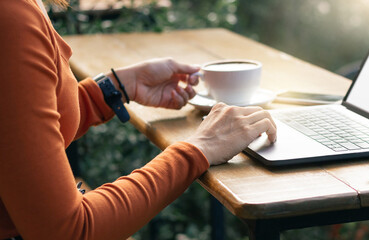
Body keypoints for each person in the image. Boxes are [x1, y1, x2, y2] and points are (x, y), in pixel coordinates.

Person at [0, 0, 277, 239]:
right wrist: (199, 149)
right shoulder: (11, 20)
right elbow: (70, 231)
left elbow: (23, 128)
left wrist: (115, 89)